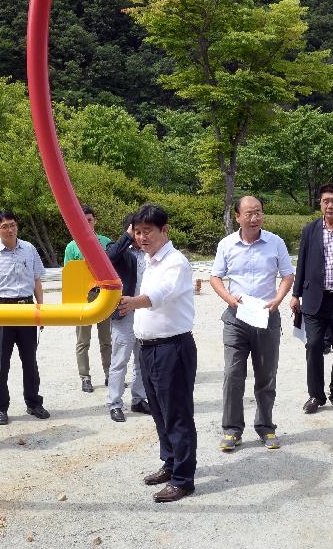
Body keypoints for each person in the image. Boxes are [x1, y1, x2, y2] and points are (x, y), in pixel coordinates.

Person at [118, 203, 197, 503]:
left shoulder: (175, 262)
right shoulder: (148, 261)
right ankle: (170, 463)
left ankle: (183, 479)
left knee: (177, 414)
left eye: (147, 231)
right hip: (149, 349)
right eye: (137, 232)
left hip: (172, 348)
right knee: (160, 412)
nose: (141, 238)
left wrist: (130, 302)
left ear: (165, 230)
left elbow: (159, 296)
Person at [210, 196, 294, 451]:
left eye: (258, 213)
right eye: (249, 213)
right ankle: (232, 429)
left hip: (267, 315)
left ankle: (266, 427)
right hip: (236, 318)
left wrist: (278, 300)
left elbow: (287, 274)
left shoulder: (275, 242)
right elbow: (215, 277)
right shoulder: (226, 245)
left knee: (266, 375)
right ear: (237, 217)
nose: (254, 218)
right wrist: (229, 299)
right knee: (233, 374)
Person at [0, 210, 50, 426]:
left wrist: (41, 311)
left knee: (30, 360)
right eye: (5, 226)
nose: (10, 229)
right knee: (0, 361)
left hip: (27, 307)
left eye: (13, 225)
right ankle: (0, 407)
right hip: (0, 309)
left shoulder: (29, 249)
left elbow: (37, 281)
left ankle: (33, 402)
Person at [290, 184, 333, 414]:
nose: (330, 205)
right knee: (313, 344)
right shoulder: (310, 229)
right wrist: (296, 294)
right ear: (320, 204)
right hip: (315, 299)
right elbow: (302, 262)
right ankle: (315, 395)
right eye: (325, 201)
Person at [104, 213, 151, 422]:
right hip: (125, 313)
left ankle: (139, 398)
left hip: (148, 313)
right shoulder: (120, 250)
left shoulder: (151, 250)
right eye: (138, 230)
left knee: (143, 360)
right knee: (120, 360)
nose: (143, 234)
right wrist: (127, 236)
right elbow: (108, 257)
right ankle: (114, 403)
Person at [64, 204, 112, 393]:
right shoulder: (72, 246)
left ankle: (110, 374)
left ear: (95, 221)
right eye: (83, 220)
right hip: (83, 298)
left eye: (89, 220)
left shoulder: (106, 242)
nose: (87, 223)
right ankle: (85, 377)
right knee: (83, 341)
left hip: (104, 295)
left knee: (106, 340)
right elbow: (69, 276)